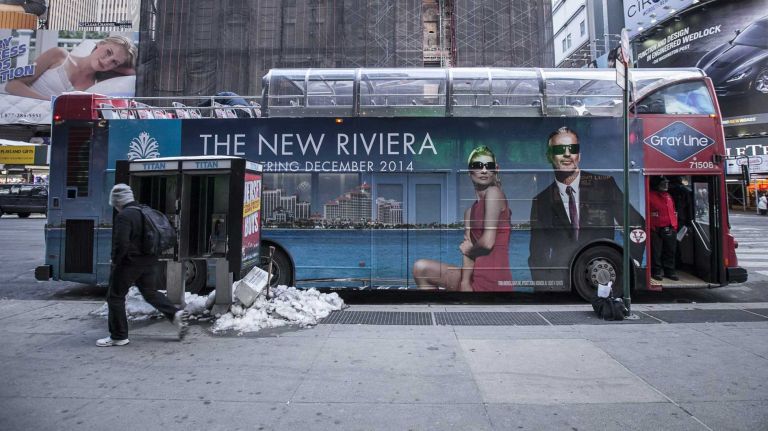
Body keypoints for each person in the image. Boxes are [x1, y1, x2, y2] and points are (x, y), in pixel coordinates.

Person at [528, 127, 644, 283]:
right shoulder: (540, 200)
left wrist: (632, 263)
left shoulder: (605, 185)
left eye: (573, 149)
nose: (567, 154)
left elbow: (636, 223)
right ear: (549, 156)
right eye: (560, 149)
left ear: (579, 156)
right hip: (560, 278)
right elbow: (537, 253)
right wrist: (543, 284)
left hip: (603, 270)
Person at [97, 184, 189, 347]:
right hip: (149, 260)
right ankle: (175, 314)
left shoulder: (124, 216)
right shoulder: (143, 211)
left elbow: (122, 243)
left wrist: (115, 261)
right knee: (150, 293)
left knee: (115, 297)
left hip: (130, 262)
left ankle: (118, 336)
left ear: (118, 201)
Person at [413, 145, 512, 291]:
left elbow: (487, 242)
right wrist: (465, 283)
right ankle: (433, 311)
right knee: (421, 269)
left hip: (494, 282)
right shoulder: (469, 212)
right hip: (473, 277)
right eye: (478, 166)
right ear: (469, 172)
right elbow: (468, 250)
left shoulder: (494, 193)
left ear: (496, 169)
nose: (484, 170)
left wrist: (469, 250)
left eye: (489, 166)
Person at [4, 35, 137, 100]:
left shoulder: (97, 86)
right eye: (108, 52)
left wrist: (119, 67)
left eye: (114, 62)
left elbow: (134, 73)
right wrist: (50, 102)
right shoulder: (59, 55)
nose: (107, 61)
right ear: (100, 44)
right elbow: (12, 84)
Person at [649, 176, 679, 281]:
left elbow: (673, 210)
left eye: (667, 183)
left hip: (670, 227)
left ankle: (669, 272)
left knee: (670, 251)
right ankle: (656, 272)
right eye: (663, 183)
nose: (666, 185)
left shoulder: (668, 196)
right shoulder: (650, 196)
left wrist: (674, 226)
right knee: (656, 252)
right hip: (655, 228)